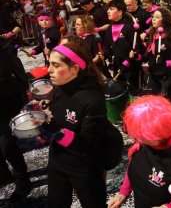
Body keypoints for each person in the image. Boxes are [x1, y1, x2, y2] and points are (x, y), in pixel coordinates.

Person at [38, 40, 108, 207]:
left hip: (85, 167)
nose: (49, 70)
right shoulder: (59, 87)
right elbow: (59, 115)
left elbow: (86, 145)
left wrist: (58, 132)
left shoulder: (92, 99)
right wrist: (43, 126)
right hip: (57, 160)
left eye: (56, 65)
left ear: (74, 69)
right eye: (49, 64)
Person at [0, 45, 33, 200]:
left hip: (6, 104)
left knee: (7, 145)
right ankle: (4, 174)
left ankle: (23, 180)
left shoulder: (5, 54)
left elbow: (21, 80)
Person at [142, 7, 171, 103]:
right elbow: (148, 57)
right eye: (153, 17)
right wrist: (138, 56)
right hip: (154, 75)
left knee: (166, 106)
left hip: (167, 77)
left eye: (157, 17)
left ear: (164, 20)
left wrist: (168, 63)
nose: (153, 19)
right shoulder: (153, 36)